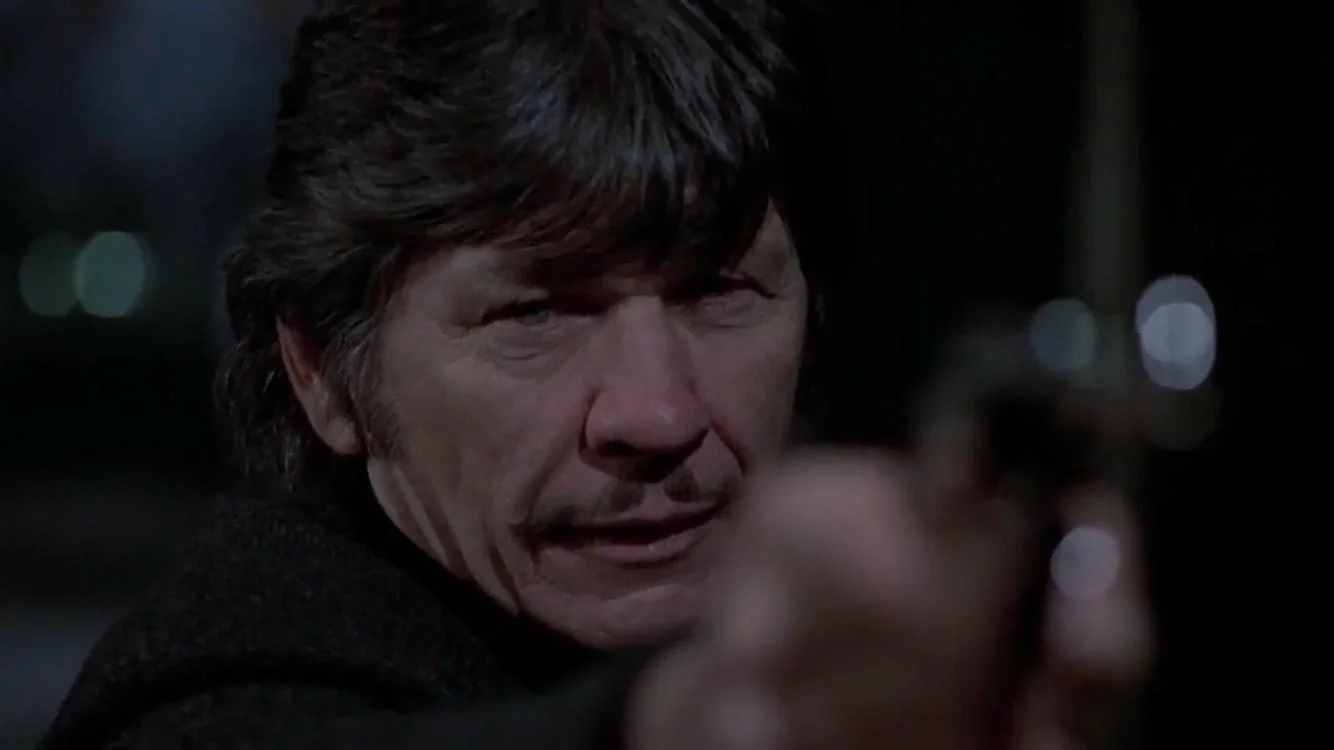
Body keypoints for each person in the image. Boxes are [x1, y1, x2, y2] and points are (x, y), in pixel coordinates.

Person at [39, 1, 1153, 748]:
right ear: (324, 373)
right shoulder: (220, 674)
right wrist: (705, 721)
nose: (656, 411)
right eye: (535, 315)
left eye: (719, 292)